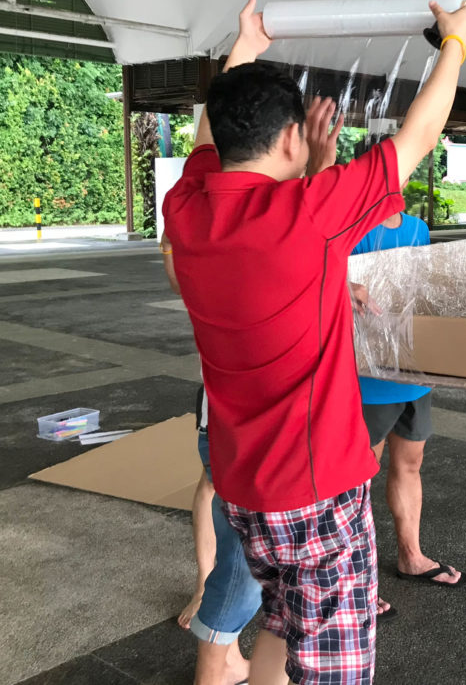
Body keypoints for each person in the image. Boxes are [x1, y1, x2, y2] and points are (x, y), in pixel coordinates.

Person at [163, 0, 466, 685]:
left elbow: (208, 142)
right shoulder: (310, 211)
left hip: (244, 489)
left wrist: (246, 45)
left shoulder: (186, 210)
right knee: (331, 662)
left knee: (279, 621)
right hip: (314, 491)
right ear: (286, 139)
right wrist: (454, 42)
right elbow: (417, 139)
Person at [351, 211, 466, 618]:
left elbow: (423, 287)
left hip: (413, 368)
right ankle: (355, 581)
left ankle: (410, 556)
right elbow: (313, 273)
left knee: (410, 463)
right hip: (368, 373)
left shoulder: (417, 228)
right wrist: (347, 288)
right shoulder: (348, 224)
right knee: (357, 476)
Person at [162, 233, 262, 685]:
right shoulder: (226, 273)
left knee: (255, 567)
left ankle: (228, 659)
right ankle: (217, 662)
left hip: (245, 426)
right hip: (235, 427)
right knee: (242, 566)